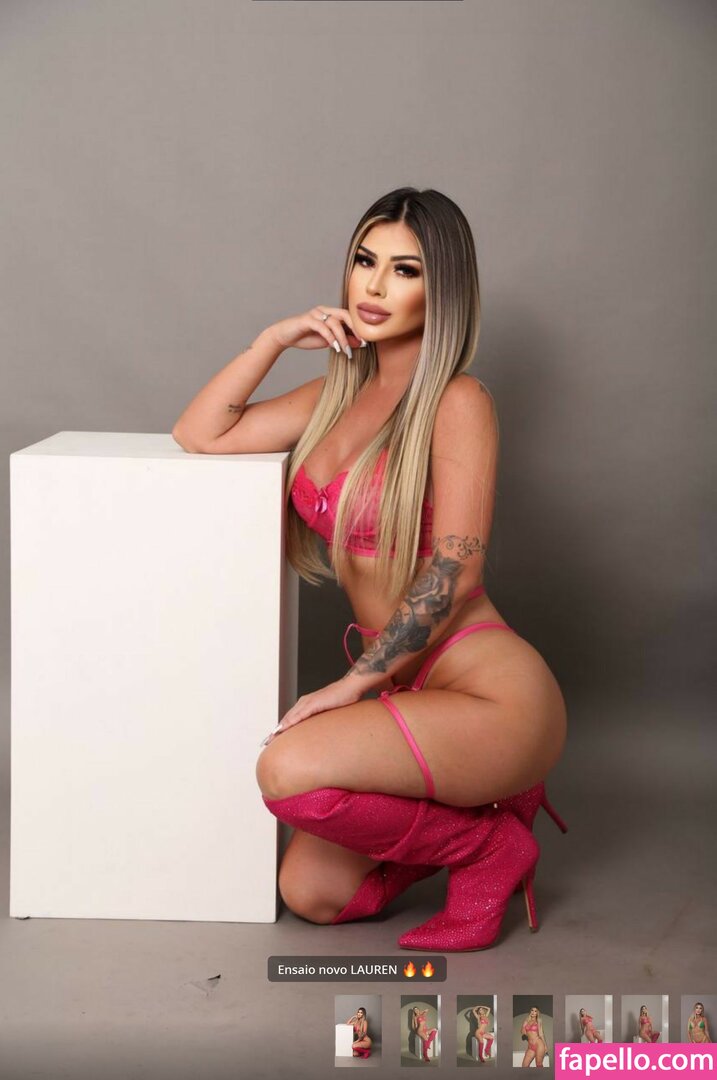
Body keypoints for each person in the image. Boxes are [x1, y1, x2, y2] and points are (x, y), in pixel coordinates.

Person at [173, 186, 568, 952]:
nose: (375, 285)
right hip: (408, 688)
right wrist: (272, 340)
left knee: (286, 768)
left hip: (489, 693)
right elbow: (200, 434)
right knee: (313, 893)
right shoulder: (335, 394)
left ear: (442, 290)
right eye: (364, 260)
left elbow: (453, 569)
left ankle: (488, 848)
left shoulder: (457, 401)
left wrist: (350, 685)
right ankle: (476, 827)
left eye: (405, 269)